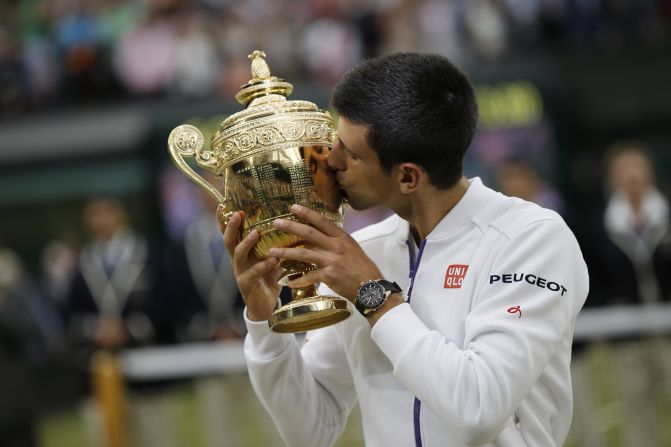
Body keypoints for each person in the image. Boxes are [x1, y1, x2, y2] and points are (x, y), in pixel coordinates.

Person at [222, 53, 589, 446]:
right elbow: (311, 430)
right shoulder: (360, 252)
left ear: (407, 176)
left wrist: (374, 296)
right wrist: (264, 323)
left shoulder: (533, 239)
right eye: (335, 143)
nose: (331, 161)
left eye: (351, 153)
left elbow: (478, 410)